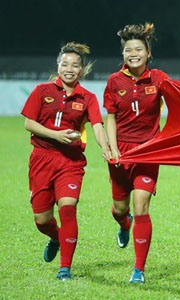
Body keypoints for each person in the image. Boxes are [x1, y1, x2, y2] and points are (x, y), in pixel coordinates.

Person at [21, 42, 111, 281]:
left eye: (75, 65)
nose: (69, 69)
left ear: (82, 70)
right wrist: (56, 135)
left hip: (70, 162)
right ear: (58, 66)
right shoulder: (42, 90)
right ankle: (55, 237)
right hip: (41, 159)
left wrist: (107, 148)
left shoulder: (88, 97)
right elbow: (29, 123)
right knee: (42, 220)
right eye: (65, 64)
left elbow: (98, 127)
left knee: (68, 207)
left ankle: (65, 269)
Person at [103, 22, 170, 284]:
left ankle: (139, 269)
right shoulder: (114, 81)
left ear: (148, 53)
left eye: (139, 49)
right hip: (121, 152)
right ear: (123, 54)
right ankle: (123, 223)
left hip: (148, 151)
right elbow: (110, 117)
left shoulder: (159, 78)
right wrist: (112, 147)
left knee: (141, 205)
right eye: (128, 49)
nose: (134, 53)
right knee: (120, 208)